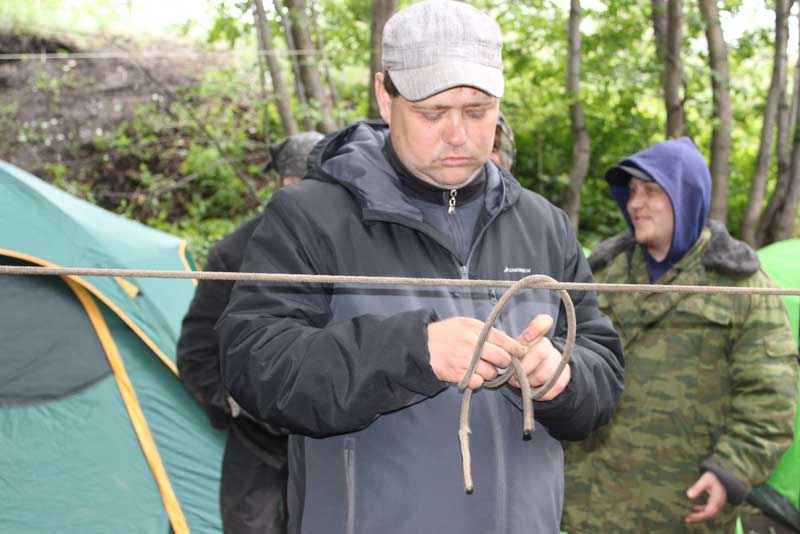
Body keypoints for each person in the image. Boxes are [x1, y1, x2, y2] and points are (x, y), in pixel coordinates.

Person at [218, 1, 624, 533]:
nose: (458, 135)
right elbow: (256, 365)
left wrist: (561, 378)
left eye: (478, 111)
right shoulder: (312, 216)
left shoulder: (541, 223)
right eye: (433, 112)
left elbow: (604, 370)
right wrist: (415, 352)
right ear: (385, 96)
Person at [562, 137, 798, 533]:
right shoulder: (600, 274)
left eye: (651, 191)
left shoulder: (742, 286)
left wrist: (729, 471)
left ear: (685, 195)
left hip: (681, 506)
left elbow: (770, 399)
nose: (635, 203)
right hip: (589, 503)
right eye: (632, 191)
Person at [176, 131, 323, 534]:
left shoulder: (346, 248)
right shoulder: (233, 252)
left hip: (328, 446)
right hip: (255, 451)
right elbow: (196, 351)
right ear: (288, 184)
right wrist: (235, 404)